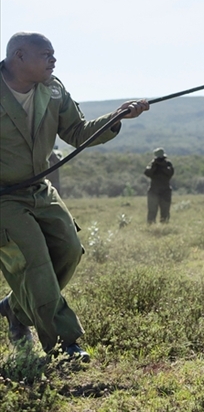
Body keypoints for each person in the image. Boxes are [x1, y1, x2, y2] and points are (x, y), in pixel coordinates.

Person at [0, 32, 148, 360]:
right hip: (3, 199)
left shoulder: (53, 90)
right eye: (47, 54)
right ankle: (66, 344)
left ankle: (15, 308)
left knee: (68, 249)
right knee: (35, 259)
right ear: (20, 56)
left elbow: (77, 132)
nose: (54, 60)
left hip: (39, 189)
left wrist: (116, 117)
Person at [144, 148, 174, 224]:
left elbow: (170, 173)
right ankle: (151, 227)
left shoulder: (167, 164)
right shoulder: (153, 164)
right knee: (152, 212)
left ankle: (164, 226)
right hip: (154, 191)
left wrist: (163, 166)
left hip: (165, 191)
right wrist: (154, 166)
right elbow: (147, 173)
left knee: (165, 212)